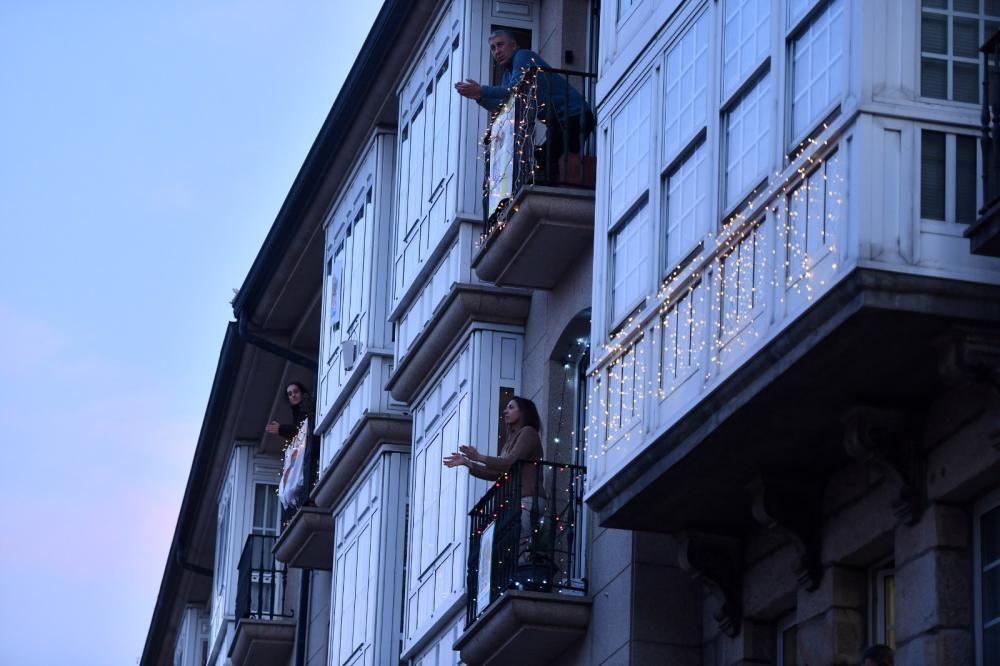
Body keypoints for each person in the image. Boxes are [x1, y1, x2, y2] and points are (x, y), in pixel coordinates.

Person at [455, 29, 590, 181]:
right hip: (560, 122)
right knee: (542, 161)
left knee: (549, 163)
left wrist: (482, 90)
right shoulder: (508, 74)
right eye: (493, 48)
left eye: (500, 45)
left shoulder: (523, 56)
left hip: (575, 116)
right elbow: (504, 107)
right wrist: (479, 97)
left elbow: (516, 88)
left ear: (513, 45)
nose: (496, 51)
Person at [443, 396, 548, 569]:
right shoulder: (508, 443)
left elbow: (509, 463)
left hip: (528, 498)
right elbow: (497, 473)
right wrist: (468, 463)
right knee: (513, 544)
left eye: (511, 407)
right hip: (516, 501)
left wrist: (479, 457)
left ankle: (521, 577)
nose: (505, 411)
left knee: (520, 544)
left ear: (523, 412)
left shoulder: (528, 433)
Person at [267, 382, 316, 514]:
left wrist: (281, 429)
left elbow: (300, 430)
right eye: (290, 394)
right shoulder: (298, 410)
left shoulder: (306, 406)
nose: (293, 395)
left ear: (301, 392)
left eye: (295, 392)